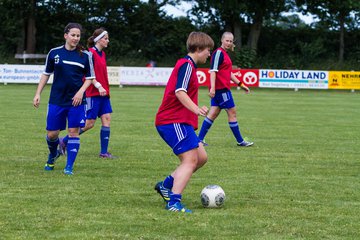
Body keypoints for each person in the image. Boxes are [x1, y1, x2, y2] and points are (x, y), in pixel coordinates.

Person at [154, 32, 214, 213]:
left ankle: (165, 185)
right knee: (190, 159)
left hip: (182, 122)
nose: (209, 54)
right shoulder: (187, 65)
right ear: (197, 49)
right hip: (172, 121)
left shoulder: (190, 66)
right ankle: (174, 202)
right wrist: (196, 109)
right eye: (207, 50)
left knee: (201, 158)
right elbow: (180, 92)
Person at [33, 22, 96, 175]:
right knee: (52, 134)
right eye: (73, 35)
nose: (75, 38)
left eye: (78, 36)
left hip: (76, 101)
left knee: (73, 131)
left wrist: (81, 92)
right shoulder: (54, 53)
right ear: (65, 35)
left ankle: (69, 167)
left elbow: (90, 77)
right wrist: (37, 93)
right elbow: (46, 74)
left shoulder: (85, 56)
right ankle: (53, 154)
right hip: (57, 99)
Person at [58, 28, 115, 158]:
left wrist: (104, 89)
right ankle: (64, 140)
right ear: (99, 39)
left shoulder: (102, 54)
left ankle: (103, 152)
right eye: (105, 38)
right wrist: (98, 86)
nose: (107, 41)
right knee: (89, 124)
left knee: (107, 119)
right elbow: (89, 75)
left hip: (104, 94)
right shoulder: (90, 54)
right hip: (92, 93)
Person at [197, 32, 254, 147]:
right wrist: (212, 88)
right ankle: (240, 141)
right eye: (227, 40)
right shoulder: (218, 53)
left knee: (213, 114)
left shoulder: (225, 54)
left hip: (221, 90)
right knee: (232, 113)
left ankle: (199, 140)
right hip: (221, 90)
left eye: (231, 41)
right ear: (222, 40)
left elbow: (229, 73)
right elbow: (213, 71)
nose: (229, 43)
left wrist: (241, 84)